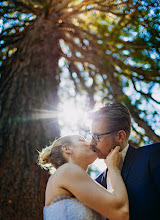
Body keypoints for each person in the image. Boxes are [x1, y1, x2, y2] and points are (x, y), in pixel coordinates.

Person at [89, 102, 160, 220]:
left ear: (120, 136)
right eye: (91, 135)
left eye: (97, 137)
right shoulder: (96, 183)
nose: (91, 143)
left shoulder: (153, 155)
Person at [38, 135, 129, 220]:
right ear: (67, 148)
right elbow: (121, 211)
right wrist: (114, 169)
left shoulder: (77, 180)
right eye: (82, 140)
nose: (90, 143)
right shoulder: (67, 170)